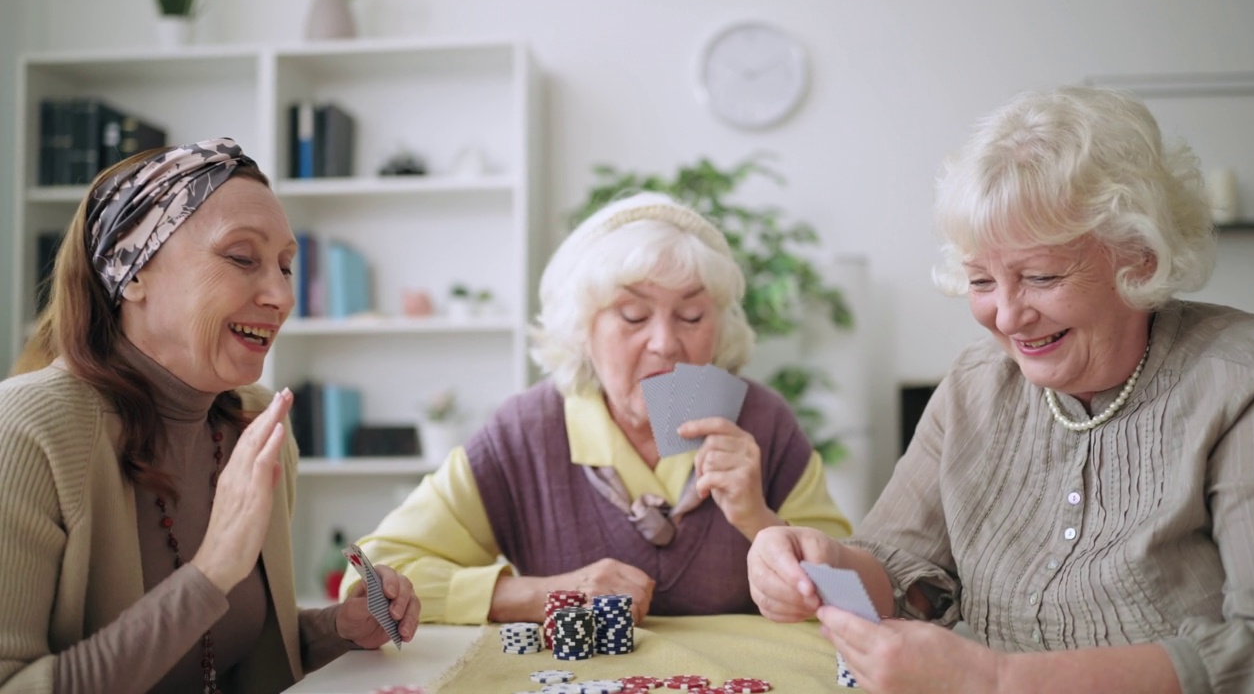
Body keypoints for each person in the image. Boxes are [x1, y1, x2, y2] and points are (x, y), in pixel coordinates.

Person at [747, 85, 1254, 693]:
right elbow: (897, 573)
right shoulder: (975, 387)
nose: (1005, 315)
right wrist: (823, 565)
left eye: (1040, 276)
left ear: (1140, 259)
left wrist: (997, 679)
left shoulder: (1246, 380)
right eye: (980, 280)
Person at [0, 139, 421, 694]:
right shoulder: (27, 430)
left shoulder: (255, 423)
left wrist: (336, 629)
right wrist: (214, 567)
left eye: (287, 267)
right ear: (132, 271)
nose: (280, 295)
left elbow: (221, 654)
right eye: (242, 258)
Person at [344, 192, 852, 624]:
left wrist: (759, 521)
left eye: (692, 316)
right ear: (582, 330)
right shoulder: (525, 434)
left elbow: (855, 596)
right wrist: (547, 595)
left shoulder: (764, 423)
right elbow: (372, 575)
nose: (665, 343)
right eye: (633, 316)